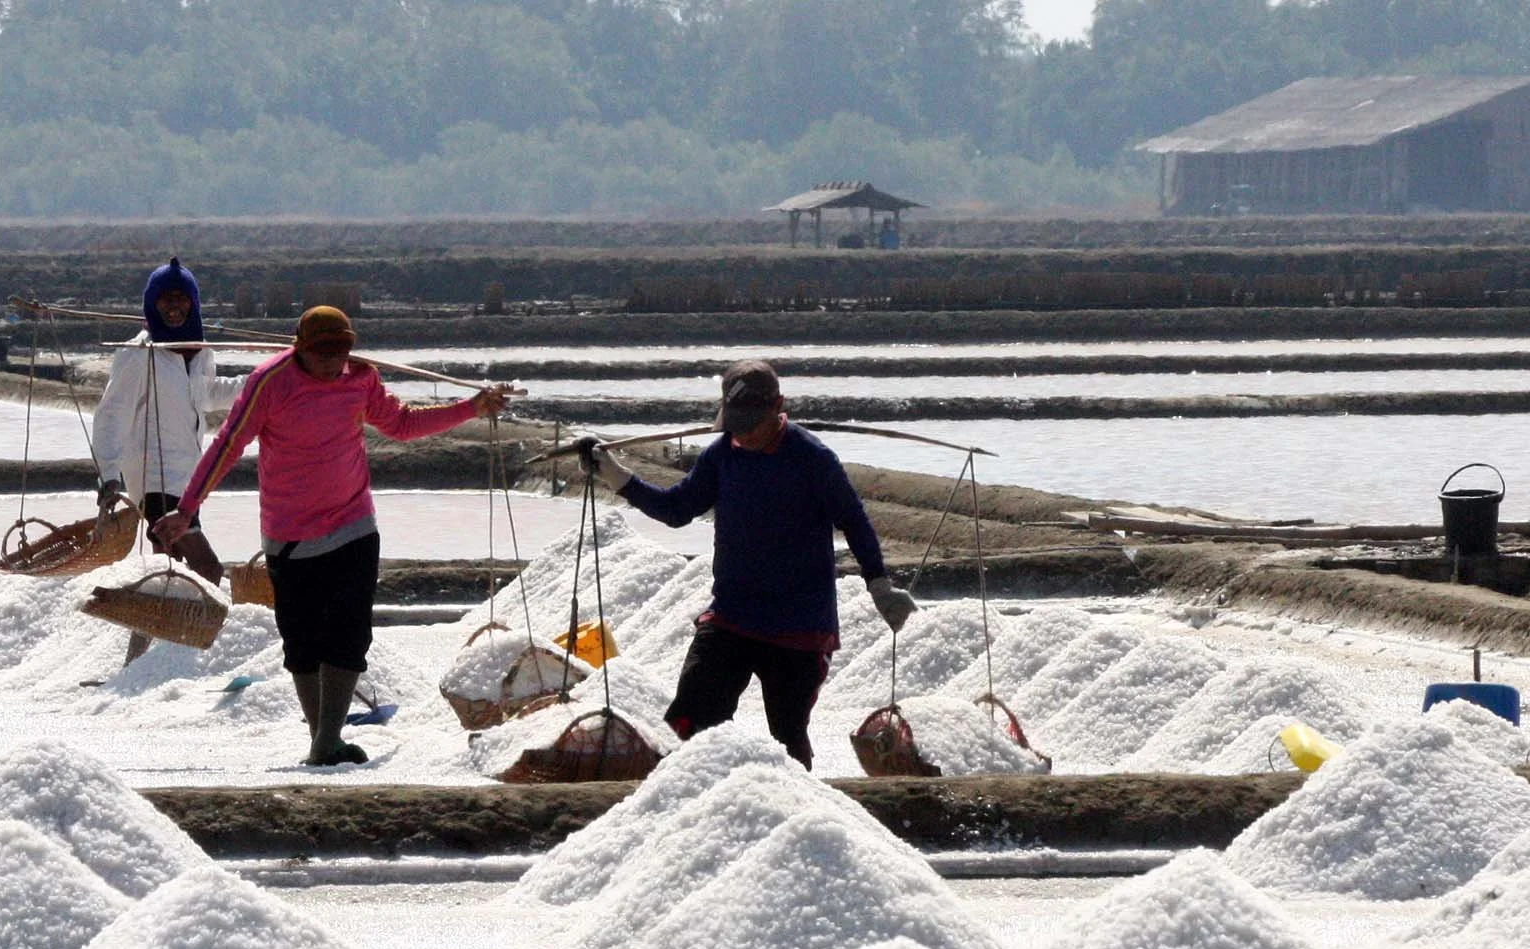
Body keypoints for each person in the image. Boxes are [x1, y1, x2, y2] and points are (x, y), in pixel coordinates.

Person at [153, 307, 510, 767]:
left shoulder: (360, 379)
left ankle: (327, 739)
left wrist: (472, 408)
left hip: (353, 524)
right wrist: (187, 509)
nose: (332, 362)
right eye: (323, 353)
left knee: (349, 634)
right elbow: (228, 444)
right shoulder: (270, 382)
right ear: (300, 346)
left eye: (341, 352)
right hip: (289, 532)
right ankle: (323, 739)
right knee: (301, 642)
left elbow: (401, 424)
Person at [579, 361, 916, 768]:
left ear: (779, 407)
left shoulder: (812, 459)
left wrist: (878, 585)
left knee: (787, 737)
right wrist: (614, 474)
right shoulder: (722, 455)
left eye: (752, 423)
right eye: (735, 424)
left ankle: (797, 806)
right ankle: (698, 796)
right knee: (691, 718)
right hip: (733, 616)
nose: (743, 433)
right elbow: (676, 509)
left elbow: (854, 521)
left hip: (800, 625)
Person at [88, 259, 240, 659]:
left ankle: (139, 663)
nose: (174, 308)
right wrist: (108, 475)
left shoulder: (199, 351)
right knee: (206, 570)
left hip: (187, 480)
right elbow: (111, 414)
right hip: (154, 480)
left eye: (181, 299)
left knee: (167, 575)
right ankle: (186, 657)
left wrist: (263, 383)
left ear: (193, 303)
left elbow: (206, 395)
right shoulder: (139, 354)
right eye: (165, 300)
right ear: (151, 305)